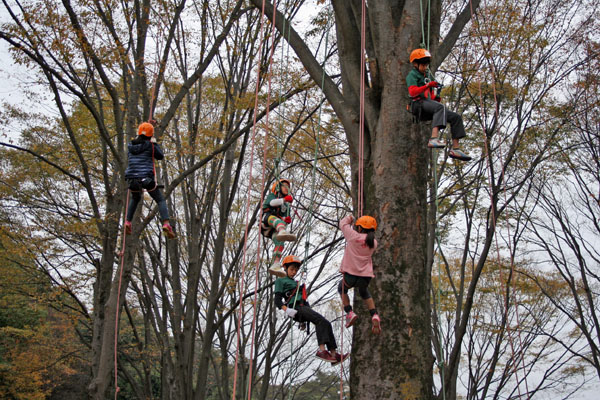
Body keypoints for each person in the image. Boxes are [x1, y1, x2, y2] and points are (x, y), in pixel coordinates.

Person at [275, 255, 349, 364]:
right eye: (292, 269)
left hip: (303, 307)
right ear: (285, 268)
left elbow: (303, 299)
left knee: (326, 323)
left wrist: (304, 321)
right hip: (295, 308)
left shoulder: (296, 282)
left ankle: (334, 354)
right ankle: (322, 351)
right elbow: (277, 300)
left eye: (296, 270)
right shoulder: (280, 280)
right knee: (320, 321)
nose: (294, 272)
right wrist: (287, 310)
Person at [407, 48, 472, 161]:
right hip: (417, 104)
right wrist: (428, 85)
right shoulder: (412, 75)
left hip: (426, 104)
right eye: (423, 65)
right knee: (440, 107)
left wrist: (436, 96)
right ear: (415, 64)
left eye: (426, 65)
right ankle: (433, 138)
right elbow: (412, 92)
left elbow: (430, 99)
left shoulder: (426, 76)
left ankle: (456, 149)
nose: (425, 67)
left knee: (455, 117)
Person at [124, 122, 176, 239]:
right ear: (150, 135)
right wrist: (154, 142)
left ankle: (128, 221)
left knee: (135, 198)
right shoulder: (150, 146)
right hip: (146, 178)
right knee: (160, 200)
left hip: (132, 179)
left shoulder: (130, 146)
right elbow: (160, 156)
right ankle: (166, 224)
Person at [338, 215, 381, 334]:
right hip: (365, 277)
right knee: (364, 292)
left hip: (351, 275)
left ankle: (349, 312)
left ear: (360, 228)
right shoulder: (374, 243)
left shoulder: (353, 236)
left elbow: (342, 224)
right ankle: (374, 314)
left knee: (342, 288)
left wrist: (350, 218)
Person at [261, 178, 296, 277]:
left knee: (280, 242)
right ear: (278, 187)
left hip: (274, 229)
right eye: (284, 186)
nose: (286, 188)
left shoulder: (286, 205)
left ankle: (275, 264)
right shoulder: (273, 196)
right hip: (266, 220)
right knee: (278, 222)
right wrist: (284, 199)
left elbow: (284, 217)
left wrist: (286, 219)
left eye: (288, 187)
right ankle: (282, 231)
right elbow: (271, 203)